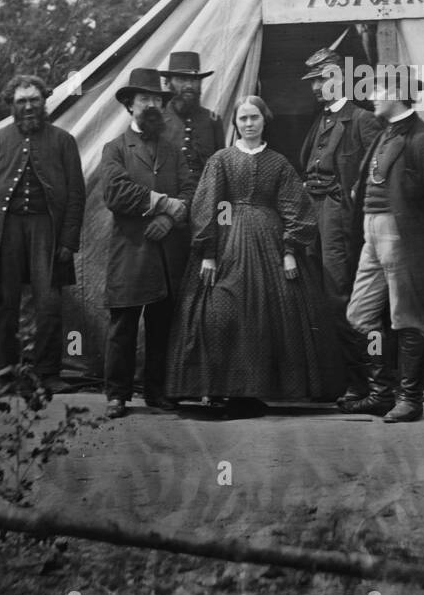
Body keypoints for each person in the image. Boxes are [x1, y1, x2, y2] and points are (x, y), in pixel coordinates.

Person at [165, 96, 345, 411]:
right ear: (235, 122)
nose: (249, 124)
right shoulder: (221, 159)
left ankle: (255, 390)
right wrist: (208, 252)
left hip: (269, 242)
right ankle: (219, 387)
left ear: (265, 120)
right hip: (226, 240)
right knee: (219, 311)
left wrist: (289, 250)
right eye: (243, 119)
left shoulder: (278, 162)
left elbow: (296, 208)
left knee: (274, 312)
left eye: (254, 118)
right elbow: (208, 206)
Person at [345, 68, 424, 422]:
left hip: (401, 235)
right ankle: (382, 392)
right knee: (360, 315)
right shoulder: (385, 133)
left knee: (406, 317)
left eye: (378, 88)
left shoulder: (423, 139)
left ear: (397, 94)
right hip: (371, 233)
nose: (373, 94)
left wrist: (416, 238)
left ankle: (409, 399)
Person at [0, 74, 86, 397]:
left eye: (34, 100)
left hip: (46, 231)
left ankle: (48, 373)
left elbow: (77, 195)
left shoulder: (63, 141)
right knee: (6, 304)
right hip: (5, 233)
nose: (28, 107)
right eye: (21, 101)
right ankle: (3, 373)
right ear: (12, 106)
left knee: (49, 303)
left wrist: (67, 241)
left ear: (44, 102)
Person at [100, 68, 196, 419]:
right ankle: (117, 395)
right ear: (129, 105)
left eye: (157, 99)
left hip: (167, 253)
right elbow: (115, 192)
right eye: (144, 99)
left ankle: (157, 391)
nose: (152, 105)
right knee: (123, 326)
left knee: (162, 326)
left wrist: (170, 217)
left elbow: (190, 191)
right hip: (131, 252)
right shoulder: (115, 149)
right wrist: (161, 202)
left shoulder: (173, 150)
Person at [297, 46, 381, 409]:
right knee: (317, 298)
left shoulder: (362, 119)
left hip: (340, 220)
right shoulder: (320, 121)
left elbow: (374, 178)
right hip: (312, 215)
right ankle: (335, 380)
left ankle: (363, 384)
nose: (317, 87)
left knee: (341, 297)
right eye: (313, 81)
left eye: (324, 79)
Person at [160, 50, 225, 183]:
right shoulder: (156, 122)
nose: (189, 86)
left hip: (205, 197)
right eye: (182, 79)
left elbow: (221, 168)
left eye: (194, 80)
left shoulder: (212, 120)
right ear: (167, 83)